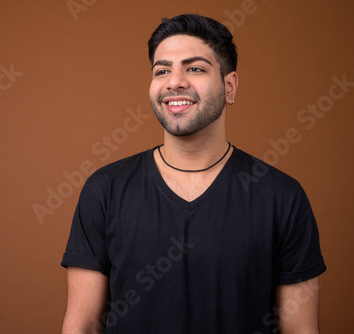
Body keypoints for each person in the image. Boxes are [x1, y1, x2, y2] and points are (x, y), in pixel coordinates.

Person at [61, 13, 326, 334]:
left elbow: (300, 329)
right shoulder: (104, 190)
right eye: (162, 70)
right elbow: (83, 325)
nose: (174, 81)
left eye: (195, 68)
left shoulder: (283, 196)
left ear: (229, 86)